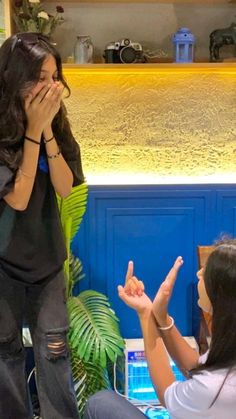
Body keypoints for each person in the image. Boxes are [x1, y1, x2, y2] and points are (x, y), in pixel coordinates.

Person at [0, 32, 84, 419]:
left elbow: (66, 187)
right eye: (40, 78)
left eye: (55, 77)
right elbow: (16, 197)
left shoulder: (57, 123)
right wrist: (33, 129)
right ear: (15, 78)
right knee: (7, 356)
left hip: (47, 261)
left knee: (54, 352)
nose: (51, 87)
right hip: (3, 263)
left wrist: (47, 129)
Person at [84, 239, 236, 419]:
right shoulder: (226, 358)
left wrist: (146, 314)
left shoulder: (215, 389)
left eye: (206, 271)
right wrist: (161, 317)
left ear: (220, 294)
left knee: (99, 403)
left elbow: (167, 394)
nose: (198, 273)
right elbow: (198, 367)